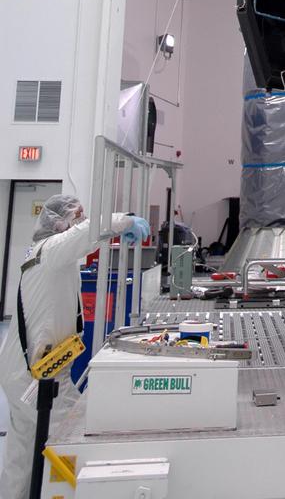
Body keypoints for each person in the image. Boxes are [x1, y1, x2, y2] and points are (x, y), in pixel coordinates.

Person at [0, 195, 149, 499]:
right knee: (73, 436)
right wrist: (126, 221)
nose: (81, 220)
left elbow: (86, 237)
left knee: (22, 453)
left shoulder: (44, 252)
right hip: (37, 374)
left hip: (23, 369)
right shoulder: (53, 250)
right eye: (76, 215)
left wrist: (114, 230)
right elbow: (87, 232)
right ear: (59, 222)